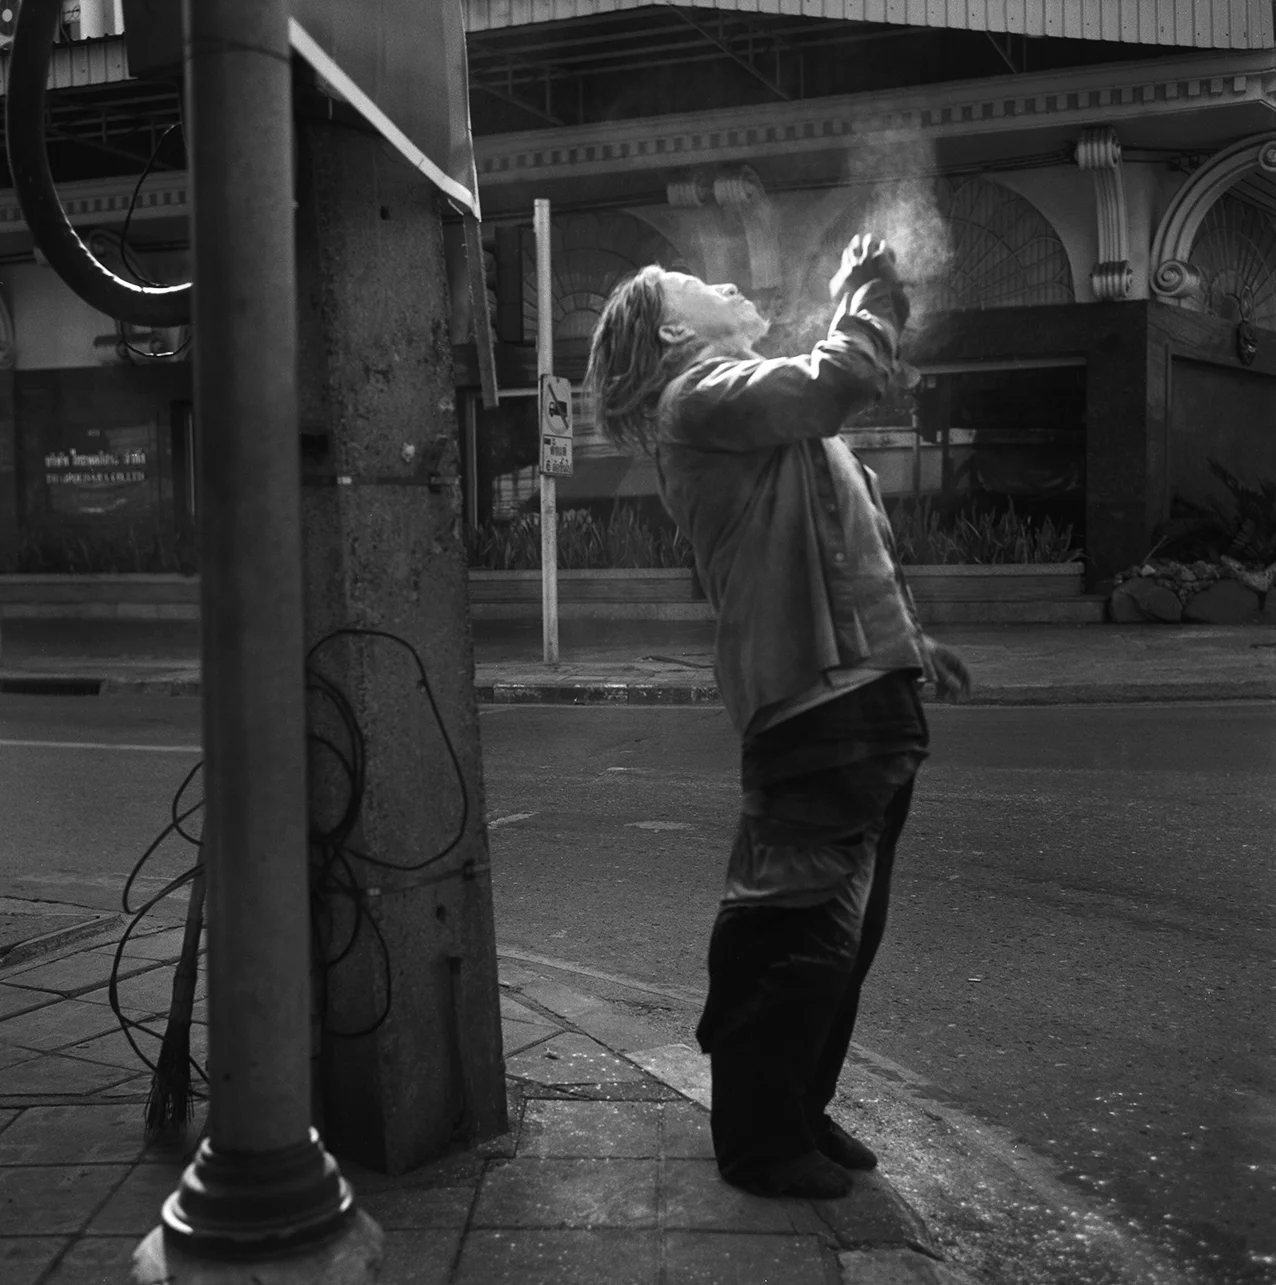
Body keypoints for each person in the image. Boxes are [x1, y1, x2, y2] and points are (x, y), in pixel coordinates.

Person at [584, 236, 972, 1200]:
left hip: (865, 694)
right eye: (698, 284)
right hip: (816, 706)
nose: (725, 285)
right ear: (675, 329)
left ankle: (795, 1107)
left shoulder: (744, 404)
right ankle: (758, 1141)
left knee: (847, 936)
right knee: (795, 935)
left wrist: (911, 644)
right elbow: (839, 379)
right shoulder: (700, 398)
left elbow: (848, 552)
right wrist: (867, 289)